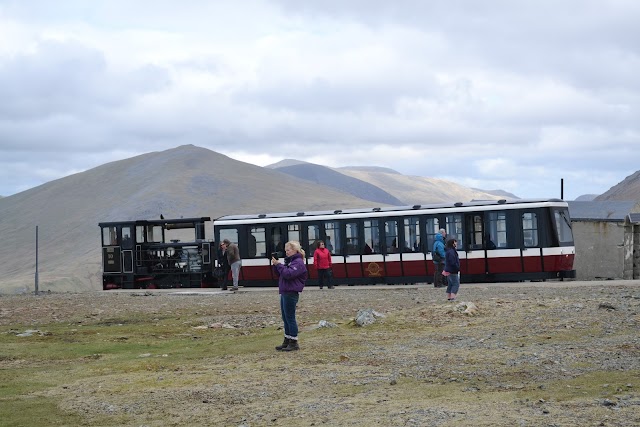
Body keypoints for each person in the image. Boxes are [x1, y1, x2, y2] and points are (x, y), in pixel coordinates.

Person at [272, 240, 307, 351]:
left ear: (295, 250)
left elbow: (288, 274)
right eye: (286, 250)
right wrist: (276, 265)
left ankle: (293, 341)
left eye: (289, 250)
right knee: (285, 317)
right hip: (285, 291)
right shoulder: (290, 262)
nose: (286, 252)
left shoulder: (298, 262)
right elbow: (281, 274)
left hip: (291, 292)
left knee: (290, 317)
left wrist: (279, 265)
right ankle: (287, 340)